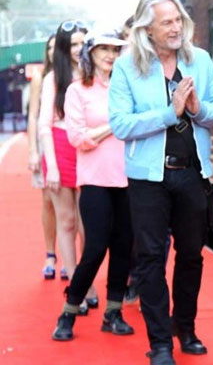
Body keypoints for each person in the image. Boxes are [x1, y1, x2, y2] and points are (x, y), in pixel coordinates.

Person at [109, 0, 213, 365]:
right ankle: (160, 342)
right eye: (167, 22)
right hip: (148, 179)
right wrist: (169, 113)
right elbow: (120, 125)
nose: (176, 27)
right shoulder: (127, 66)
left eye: (178, 20)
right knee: (150, 259)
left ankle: (186, 328)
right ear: (148, 29)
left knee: (191, 255)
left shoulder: (201, 60)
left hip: (192, 174)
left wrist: (198, 109)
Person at [51, 32, 134, 341]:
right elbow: (77, 138)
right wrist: (116, 125)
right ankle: (68, 311)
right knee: (96, 247)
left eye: (115, 49)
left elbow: (137, 126)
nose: (110, 55)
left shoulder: (127, 89)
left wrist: (106, 129)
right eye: (103, 49)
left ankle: (113, 313)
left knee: (123, 247)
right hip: (95, 180)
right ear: (91, 53)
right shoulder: (77, 90)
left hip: (129, 178)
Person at [39, 20, 98, 309]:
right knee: (67, 221)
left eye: (82, 43)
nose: (78, 48)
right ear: (63, 47)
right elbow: (44, 125)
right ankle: (75, 282)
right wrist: (51, 165)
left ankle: (86, 279)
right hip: (60, 148)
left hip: (88, 149)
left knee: (89, 225)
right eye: (73, 44)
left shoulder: (93, 73)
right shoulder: (54, 78)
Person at [27, 34, 58, 279]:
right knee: (48, 199)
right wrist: (33, 150)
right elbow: (33, 115)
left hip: (69, 139)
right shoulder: (41, 77)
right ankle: (50, 254)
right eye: (50, 48)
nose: (53, 52)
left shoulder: (78, 74)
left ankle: (71, 257)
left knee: (74, 204)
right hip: (44, 139)